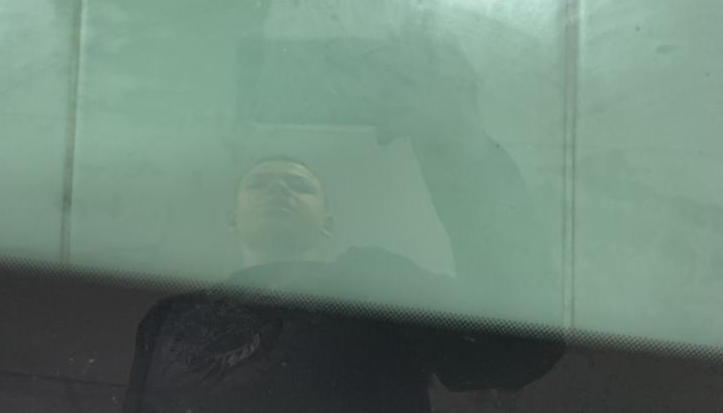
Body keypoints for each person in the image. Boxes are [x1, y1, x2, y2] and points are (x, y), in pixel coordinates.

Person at [123, 42, 564, 413]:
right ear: (232, 216)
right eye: (260, 183)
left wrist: (460, 144)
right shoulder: (171, 318)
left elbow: (516, 349)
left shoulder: (378, 290)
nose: (280, 190)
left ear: (327, 221)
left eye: (299, 185)